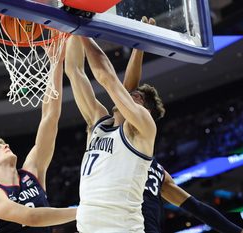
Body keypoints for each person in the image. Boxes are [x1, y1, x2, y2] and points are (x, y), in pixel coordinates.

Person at [123, 18, 243, 233]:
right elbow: (122, 90)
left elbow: (197, 207)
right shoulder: (115, 137)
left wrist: (239, 232)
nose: (129, 101)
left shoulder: (156, 171)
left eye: (137, 100)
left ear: (147, 115)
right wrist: (139, 47)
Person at [65, 34, 165, 232]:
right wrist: (71, 31)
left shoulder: (142, 128)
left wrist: (82, 29)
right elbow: (74, 70)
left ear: (145, 110)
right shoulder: (98, 122)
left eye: (135, 96)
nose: (127, 95)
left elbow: (107, 77)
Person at [0, 49, 76, 232]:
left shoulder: (32, 172)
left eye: (4, 144)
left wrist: (55, 62)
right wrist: (83, 211)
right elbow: (32, 217)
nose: (5, 145)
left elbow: (50, 117)